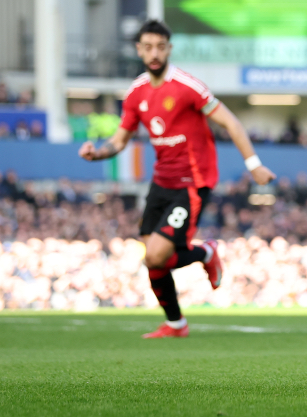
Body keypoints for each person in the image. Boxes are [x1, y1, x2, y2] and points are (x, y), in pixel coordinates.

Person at [79, 19, 275, 338]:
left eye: (160, 47)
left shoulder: (188, 87)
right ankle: (176, 324)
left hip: (193, 181)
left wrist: (254, 164)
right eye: (147, 47)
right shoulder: (136, 93)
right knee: (154, 260)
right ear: (139, 50)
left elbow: (231, 122)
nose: (154, 53)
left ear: (169, 49)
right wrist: (96, 153)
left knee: (155, 254)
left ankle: (206, 253)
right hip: (161, 182)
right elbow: (119, 140)